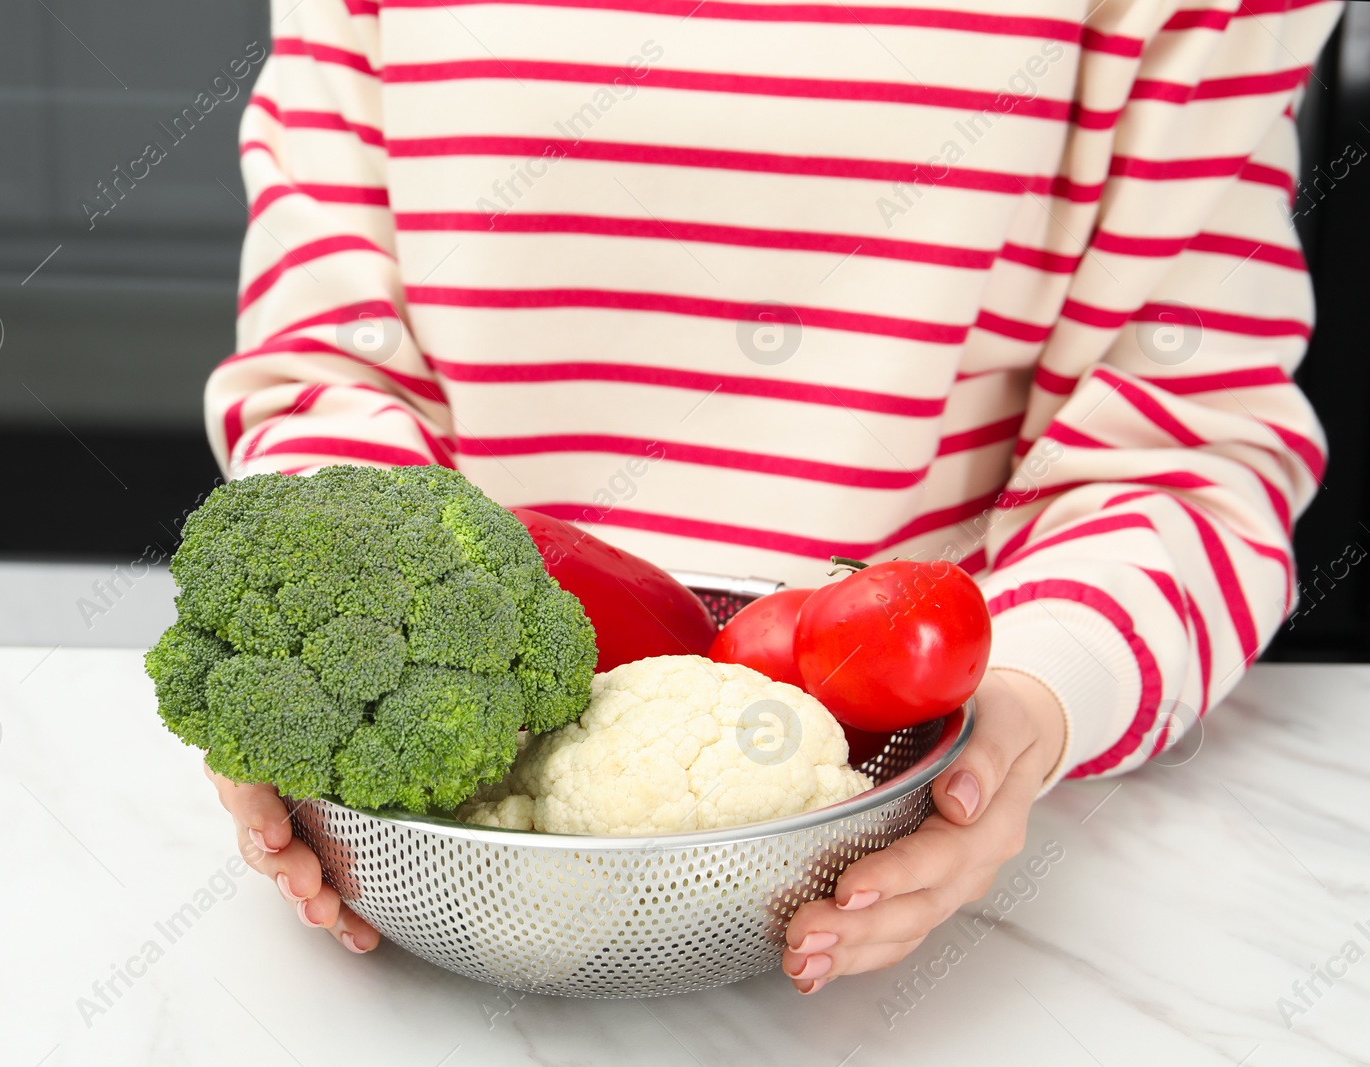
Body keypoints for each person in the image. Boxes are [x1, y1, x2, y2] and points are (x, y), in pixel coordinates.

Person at [204, 0, 1341, 994]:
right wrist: (310, 645)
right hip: (446, 834)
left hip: (907, 793)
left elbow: (1184, 455)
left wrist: (1029, 712)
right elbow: (332, 370)